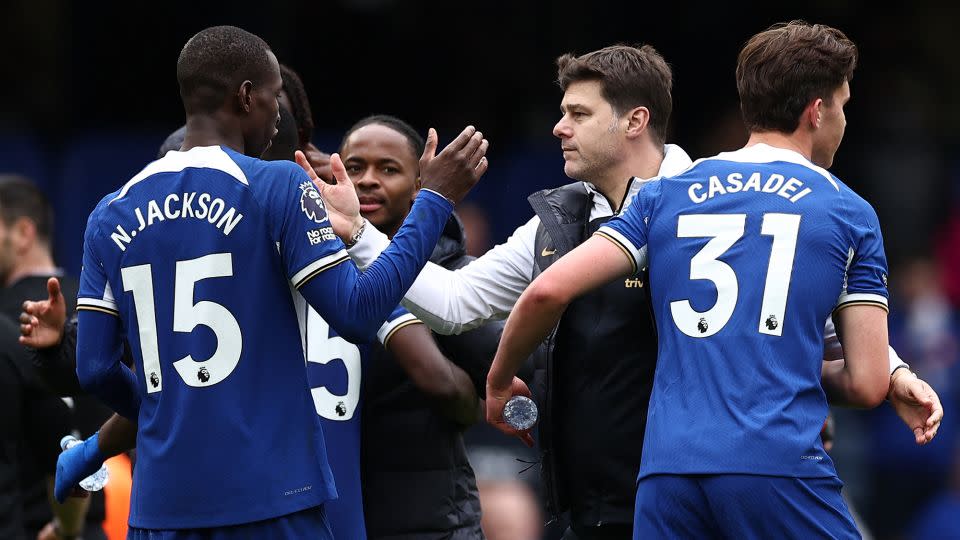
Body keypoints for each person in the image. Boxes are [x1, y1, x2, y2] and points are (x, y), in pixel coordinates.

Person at [315, 43, 943, 539]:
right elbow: (455, 304)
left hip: (679, 483)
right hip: (598, 499)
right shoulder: (558, 219)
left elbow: (798, 310)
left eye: (577, 114)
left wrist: (890, 369)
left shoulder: (698, 198)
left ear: (635, 120)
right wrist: (360, 234)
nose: (558, 128)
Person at [72, 24, 487, 539]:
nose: (278, 117)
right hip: (270, 499)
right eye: (273, 99)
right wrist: (435, 201)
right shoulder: (276, 184)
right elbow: (357, 314)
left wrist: (163, 409)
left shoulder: (107, 213)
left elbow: (93, 369)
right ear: (246, 97)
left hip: (159, 508)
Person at [338, 115, 498, 539]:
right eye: (354, 167)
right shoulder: (311, 276)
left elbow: (472, 403)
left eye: (388, 169)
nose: (367, 181)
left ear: (417, 187)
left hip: (433, 522)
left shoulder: (459, 280)